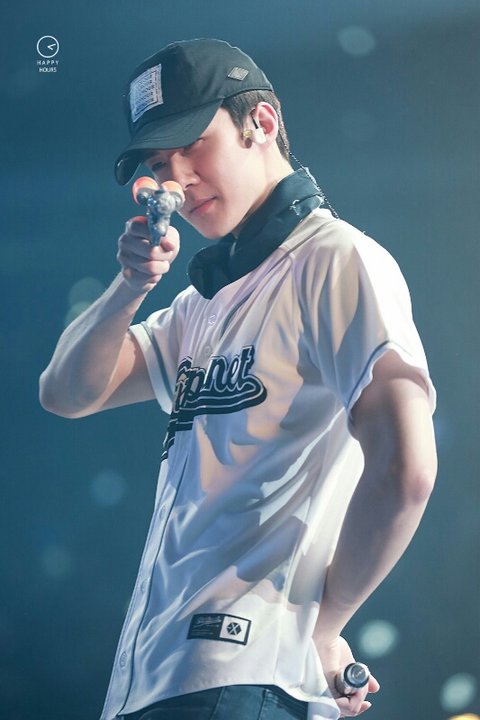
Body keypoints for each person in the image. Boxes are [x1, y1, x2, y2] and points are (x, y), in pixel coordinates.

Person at [39, 38, 437, 720]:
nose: (176, 181)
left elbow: (407, 469)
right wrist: (131, 285)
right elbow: (65, 393)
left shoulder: (335, 260)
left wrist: (322, 628)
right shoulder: (201, 304)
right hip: (158, 682)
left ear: (262, 122)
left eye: (193, 145)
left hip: (241, 676)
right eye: (158, 164)